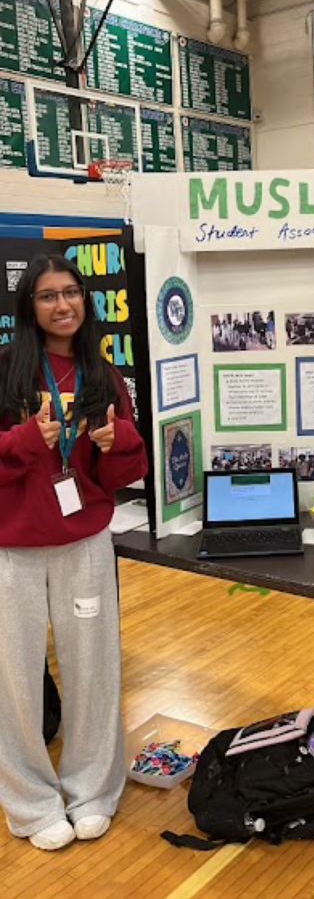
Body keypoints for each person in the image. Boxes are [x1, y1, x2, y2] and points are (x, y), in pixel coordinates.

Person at [0, 254, 148, 852]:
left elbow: (124, 471)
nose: (63, 305)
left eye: (71, 293)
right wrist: (25, 441)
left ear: (85, 301)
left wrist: (119, 441)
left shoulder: (104, 377)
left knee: (93, 671)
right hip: (12, 549)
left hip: (84, 542)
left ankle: (93, 789)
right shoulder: (6, 371)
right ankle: (30, 802)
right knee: (14, 681)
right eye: (47, 296)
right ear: (29, 307)